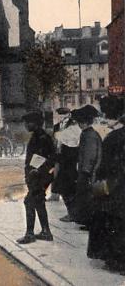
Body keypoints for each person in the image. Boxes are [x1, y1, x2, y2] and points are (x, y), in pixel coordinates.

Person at [87, 110, 125, 272]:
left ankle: (116, 260)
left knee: (115, 223)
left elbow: (103, 168)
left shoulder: (113, 137)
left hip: (114, 188)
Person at [17, 112, 56, 244]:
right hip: (39, 176)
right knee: (38, 202)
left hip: (38, 177)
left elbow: (50, 157)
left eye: (28, 123)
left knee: (29, 202)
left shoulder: (41, 137)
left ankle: (30, 234)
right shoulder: (39, 135)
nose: (26, 125)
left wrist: (36, 170)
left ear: (36, 123)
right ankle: (46, 231)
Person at [73, 113, 102, 228]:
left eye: (80, 122)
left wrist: (86, 172)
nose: (79, 125)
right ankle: (88, 222)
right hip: (87, 170)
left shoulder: (89, 135)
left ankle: (90, 223)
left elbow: (90, 155)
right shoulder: (89, 133)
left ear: (84, 122)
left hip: (88, 172)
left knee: (87, 198)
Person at [53, 116, 80, 222]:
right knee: (69, 192)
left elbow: (63, 157)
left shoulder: (68, 147)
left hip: (66, 171)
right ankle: (72, 213)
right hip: (71, 171)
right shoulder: (74, 145)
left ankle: (71, 214)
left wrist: (54, 157)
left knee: (66, 192)